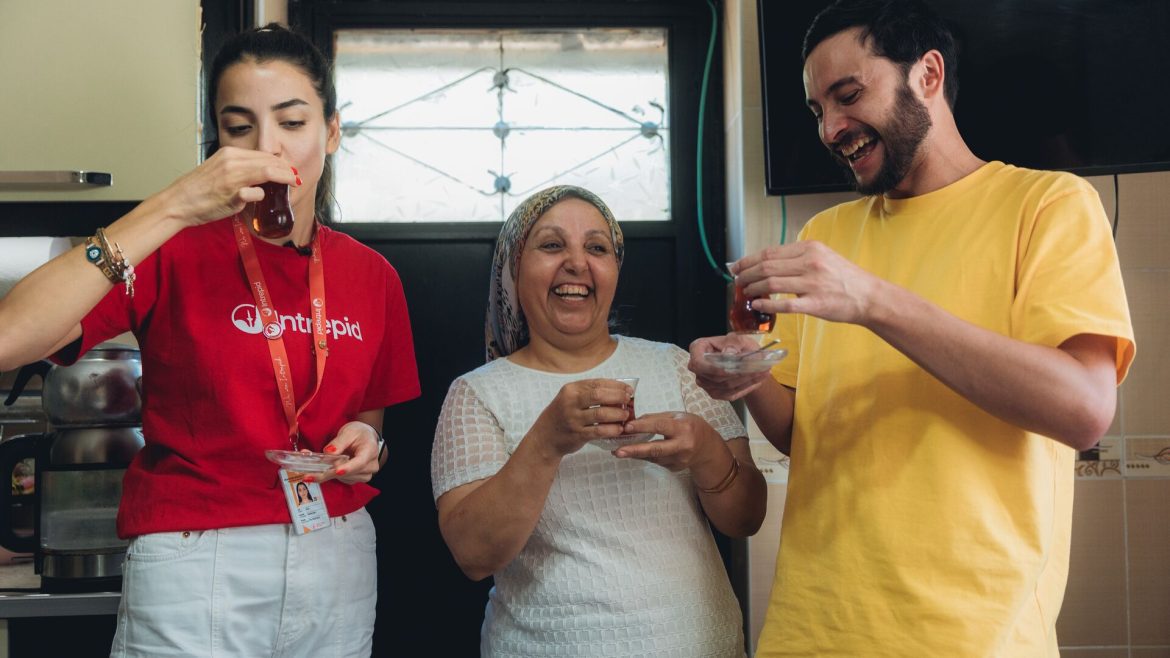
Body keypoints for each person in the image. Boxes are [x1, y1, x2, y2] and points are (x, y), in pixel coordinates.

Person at [688, 1, 1135, 655]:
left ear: (927, 75)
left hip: (969, 638)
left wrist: (871, 299)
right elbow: (796, 433)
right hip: (809, 633)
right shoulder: (826, 236)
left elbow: (1085, 410)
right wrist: (748, 369)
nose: (830, 129)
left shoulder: (1050, 206)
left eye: (848, 95)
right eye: (818, 111)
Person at [0, 24, 419, 656]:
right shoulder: (171, 248)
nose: (269, 148)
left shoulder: (373, 276)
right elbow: (10, 339)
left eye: (293, 122)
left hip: (337, 553)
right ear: (216, 143)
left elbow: (368, 427)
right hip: (196, 557)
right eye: (239, 126)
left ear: (332, 132)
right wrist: (171, 204)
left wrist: (369, 444)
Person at [430, 185, 767, 657]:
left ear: (614, 270)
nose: (576, 263)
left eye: (596, 247)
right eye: (551, 245)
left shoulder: (675, 367)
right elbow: (474, 555)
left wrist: (707, 452)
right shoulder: (477, 393)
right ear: (513, 268)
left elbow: (747, 517)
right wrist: (547, 440)